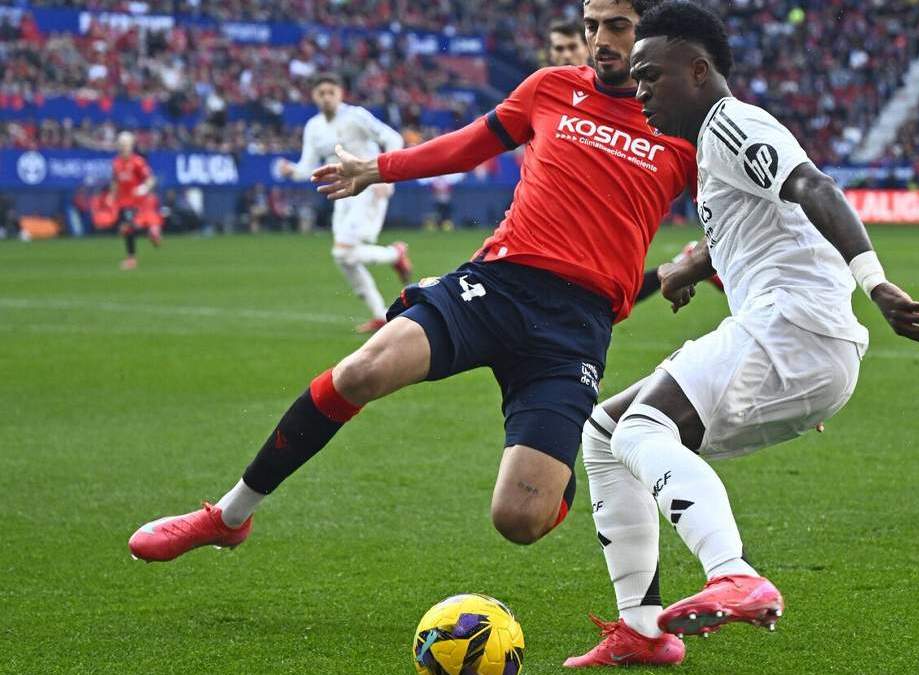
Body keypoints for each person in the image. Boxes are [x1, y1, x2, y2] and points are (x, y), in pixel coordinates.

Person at [128, 5, 695, 647]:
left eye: (617, 24)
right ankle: (227, 515)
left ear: (652, 33)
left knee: (521, 518)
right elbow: (468, 144)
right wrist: (379, 169)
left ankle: (562, 465)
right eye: (591, 24)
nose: (599, 39)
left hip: (575, 326)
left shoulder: (678, 125)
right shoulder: (548, 88)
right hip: (498, 283)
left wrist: (722, 289)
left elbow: (734, 220)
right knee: (361, 370)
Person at [564, 2, 919, 667]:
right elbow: (761, 225)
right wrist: (696, 264)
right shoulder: (714, 145)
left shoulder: (733, 124)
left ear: (699, 69)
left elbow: (811, 185)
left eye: (651, 74)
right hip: (792, 340)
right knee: (604, 431)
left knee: (640, 430)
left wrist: (876, 281)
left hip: (793, 330)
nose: (641, 89)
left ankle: (734, 571)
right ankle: (643, 628)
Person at [279, 73, 414, 334]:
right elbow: (308, 166)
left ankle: (395, 254)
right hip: (343, 191)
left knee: (343, 251)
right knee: (343, 257)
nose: (326, 97)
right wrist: (291, 170)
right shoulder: (313, 127)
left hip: (369, 186)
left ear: (340, 93)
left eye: (331, 91)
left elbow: (393, 138)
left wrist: (387, 174)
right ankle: (380, 315)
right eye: (321, 93)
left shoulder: (356, 116)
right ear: (314, 97)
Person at [111, 131, 157, 270]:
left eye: (126, 145)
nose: (123, 147)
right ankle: (150, 231)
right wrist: (112, 195)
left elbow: (150, 179)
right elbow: (115, 181)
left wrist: (143, 188)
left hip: (136, 202)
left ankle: (131, 259)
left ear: (131, 146)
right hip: (122, 202)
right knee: (124, 229)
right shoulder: (116, 163)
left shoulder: (138, 162)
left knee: (128, 227)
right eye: (121, 145)